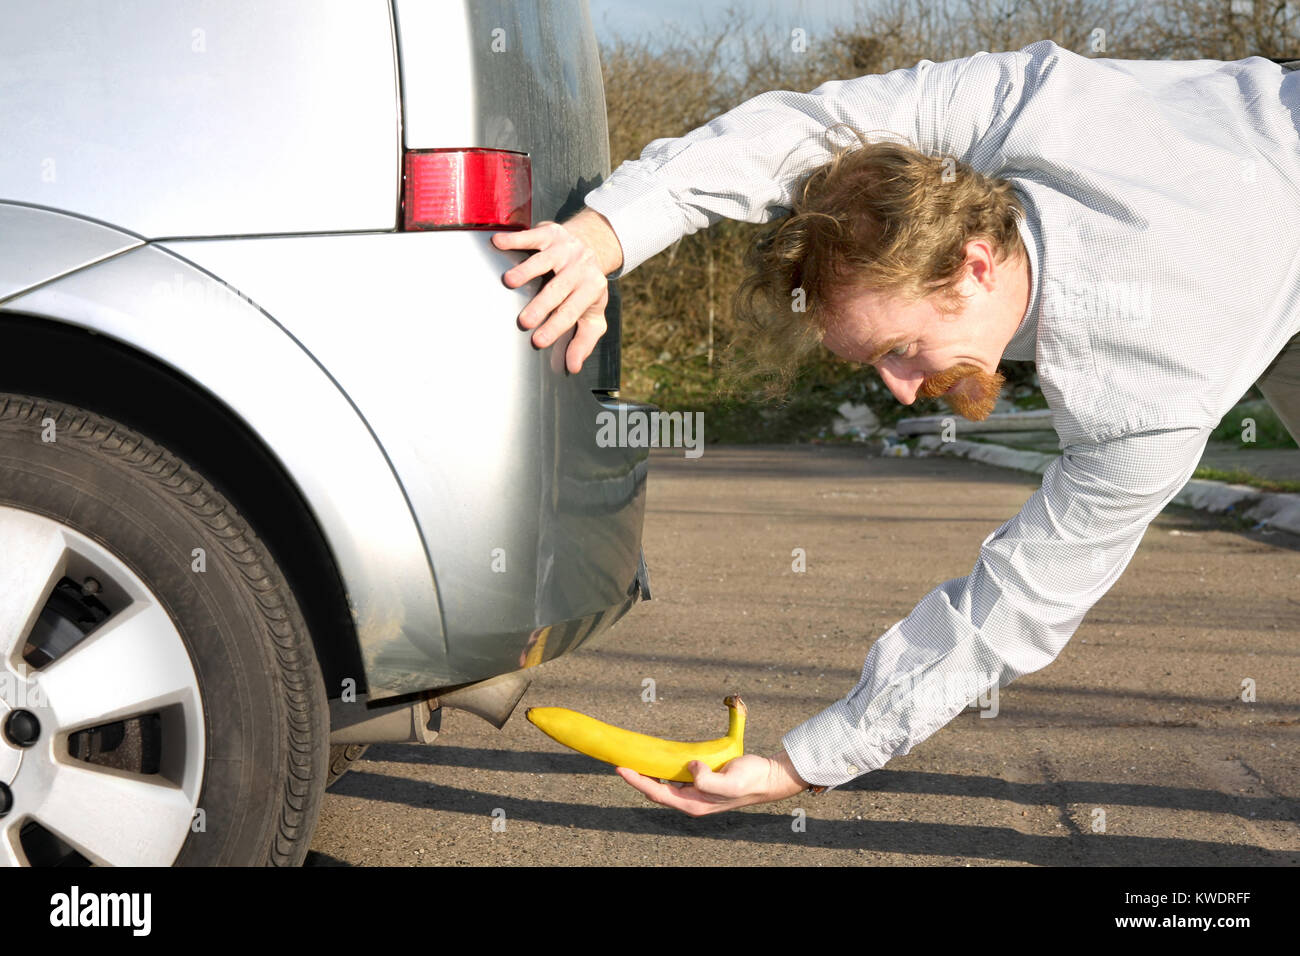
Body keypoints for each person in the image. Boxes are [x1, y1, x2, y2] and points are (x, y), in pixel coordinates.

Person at [490, 38, 1300, 816]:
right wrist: (607, 233)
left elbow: (1012, 608)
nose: (905, 393)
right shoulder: (1025, 106)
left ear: (975, 265)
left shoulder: (1146, 397)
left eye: (902, 351)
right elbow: (807, 130)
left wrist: (806, 762)